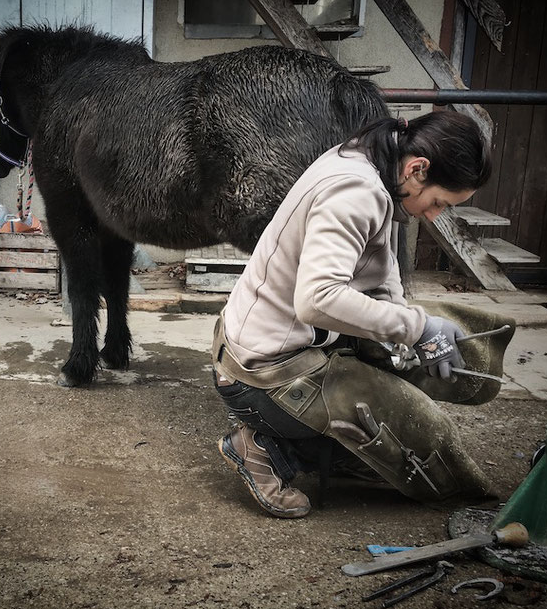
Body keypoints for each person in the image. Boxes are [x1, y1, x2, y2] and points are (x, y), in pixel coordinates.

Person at [211, 110, 514, 518]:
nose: (434, 213)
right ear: (417, 169)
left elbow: (379, 265)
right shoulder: (355, 190)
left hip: (302, 345)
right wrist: (416, 327)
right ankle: (268, 450)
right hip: (262, 373)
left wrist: (404, 327)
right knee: (423, 434)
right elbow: (316, 298)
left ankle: (349, 448)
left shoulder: (375, 166)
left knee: (456, 337)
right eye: (439, 201)